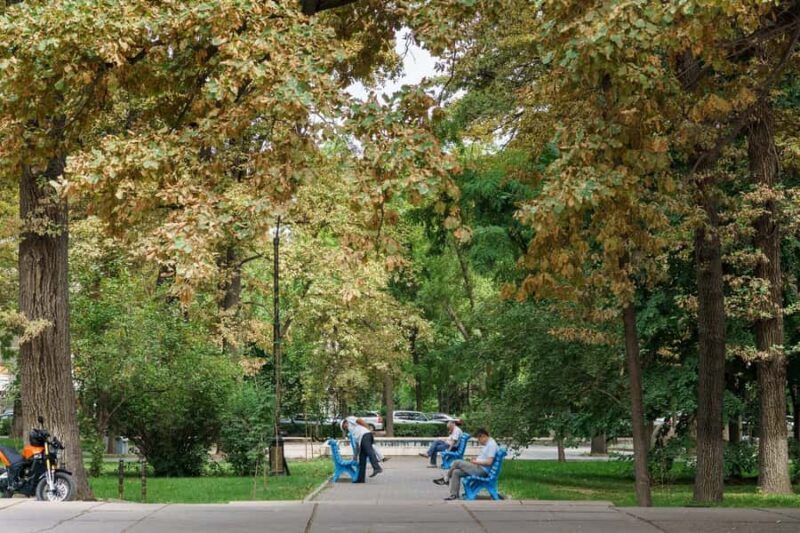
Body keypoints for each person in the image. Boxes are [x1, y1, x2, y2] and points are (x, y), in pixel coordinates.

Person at [432, 427, 497, 501]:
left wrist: (476, 462)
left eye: (479, 439)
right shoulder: (489, 443)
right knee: (456, 472)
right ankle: (454, 495)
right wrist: (476, 459)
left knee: (457, 462)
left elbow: (489, 462)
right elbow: (485, 458)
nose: (479, 442)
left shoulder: (491, 445)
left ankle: (446, 479)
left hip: (481, 470)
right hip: (478, 467)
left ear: (483, 436)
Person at [341, 417, 383, 483]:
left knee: (369, 451)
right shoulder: (353, 431)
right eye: (344, 428)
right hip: (362, 439)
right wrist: (355, 457)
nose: (346, 428)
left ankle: (377, 468)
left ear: (345, 422)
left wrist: (368, 429)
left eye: (344, 427)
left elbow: (360, 420)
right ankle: (361, 479)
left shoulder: (349, 419)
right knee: (362, 459)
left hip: (365, 435)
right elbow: (357, 446)